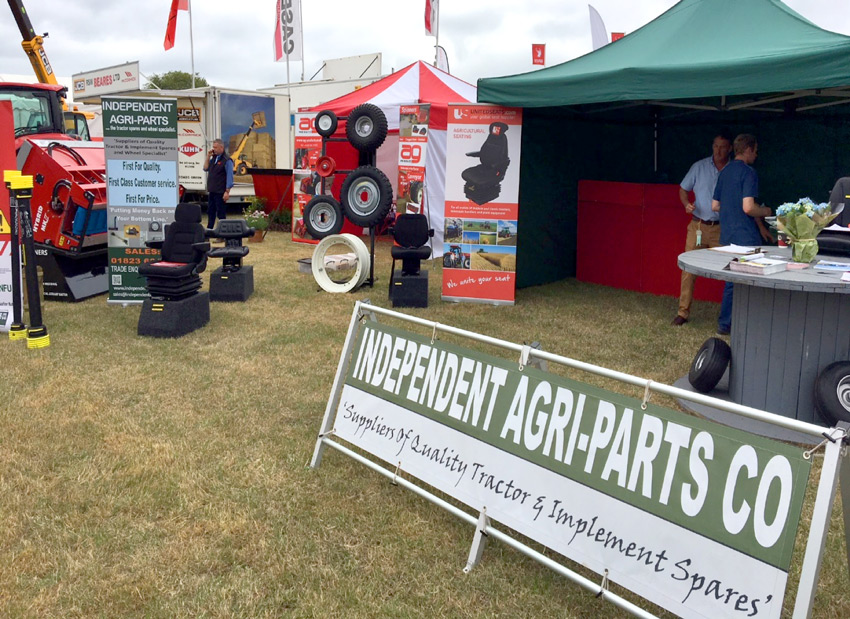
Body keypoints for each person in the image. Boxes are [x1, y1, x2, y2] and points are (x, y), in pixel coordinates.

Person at [711, 134, 773, 336]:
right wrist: (766, 212)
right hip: (745, 237)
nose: (756, 154)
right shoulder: (749, 173)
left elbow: (715, 205)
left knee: (731, 280)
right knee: (750, 281)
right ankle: (733, 322)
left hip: (727, 234)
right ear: (747, 150)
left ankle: (726, 322)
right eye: (755, 150)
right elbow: (748, 207)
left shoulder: (725, 171)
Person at [672, 134, 732, 326]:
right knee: (688, 269)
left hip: (721, 228)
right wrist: (686, 204)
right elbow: (682, 189)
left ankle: (730, 316)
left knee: (730, 270)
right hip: (698, 224)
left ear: (730, 148)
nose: (718, 151)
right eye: (715, 146)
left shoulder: (734, 169)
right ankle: (683, 313)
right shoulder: (699, 167)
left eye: (722, 147)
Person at [203, 138, 233, 229]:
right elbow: (205, 168)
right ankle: (209, 232)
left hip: (221, 192)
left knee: (221, 214)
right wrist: (208, 157)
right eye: (213, 147)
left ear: (221, 148)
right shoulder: (214, 158)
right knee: (210, 212)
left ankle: (222, 234)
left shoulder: (227, 160)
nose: (214, 149)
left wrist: (227, 191)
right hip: (212, 191)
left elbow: (230, 176)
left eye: (216, 147)